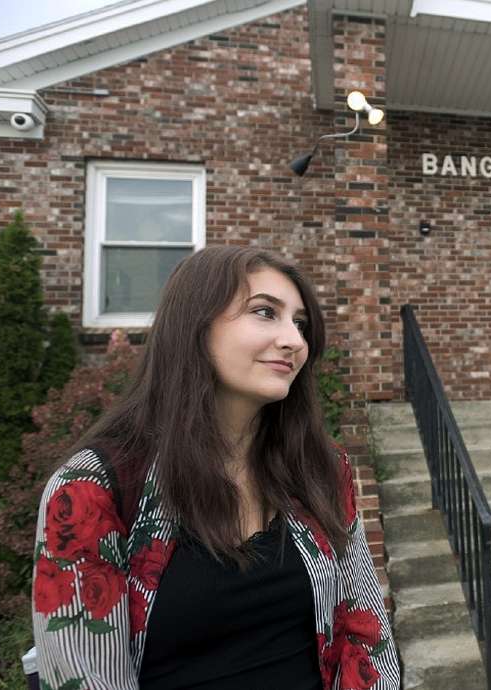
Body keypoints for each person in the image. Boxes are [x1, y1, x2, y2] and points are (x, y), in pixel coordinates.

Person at [31, 246, 400, 690]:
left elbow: (366, 633)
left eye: (299, 323)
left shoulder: (320, 469)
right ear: (195, 326)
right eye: (266, 312)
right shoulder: (93, 489)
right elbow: (83, 676)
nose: (295, 340)